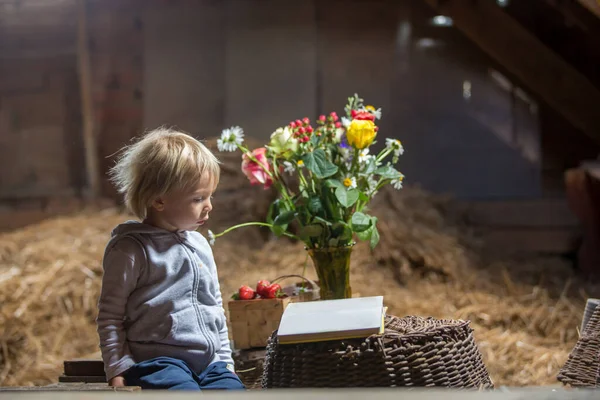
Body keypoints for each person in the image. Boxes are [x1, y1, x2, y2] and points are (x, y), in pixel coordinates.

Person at [96, 127, 244, 391]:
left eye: (210, 196)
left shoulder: (199, 244)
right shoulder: (132, 249)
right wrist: (117, 368)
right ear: (159, 200)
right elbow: (110, 316)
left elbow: (215, 307)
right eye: (199, 198)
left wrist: (225, 362)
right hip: (160, 364)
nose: (209, 206)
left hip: (210, 364)